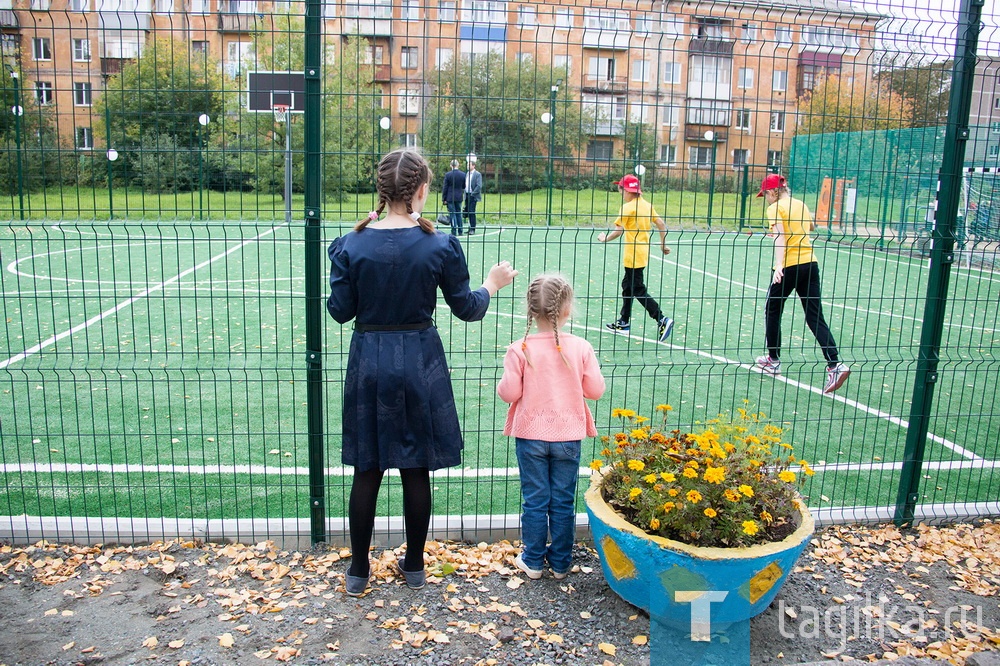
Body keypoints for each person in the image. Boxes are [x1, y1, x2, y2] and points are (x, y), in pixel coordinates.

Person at [328, 149, 518, 596]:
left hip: (369, 363)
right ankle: (414, 567)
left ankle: (358, 572)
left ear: (382, 190)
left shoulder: (350, 243)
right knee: (416, 470)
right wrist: (492, 284)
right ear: (420, 190)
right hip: (419, 362)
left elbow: (339, 312)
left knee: (366, 470)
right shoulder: (440, 244)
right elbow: (467, 308)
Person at [497, 274, 606, 581]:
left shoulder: (520, 348)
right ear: (568, 309)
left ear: (530, 311)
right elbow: (595, 390)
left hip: (530, 436)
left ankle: (532, 560)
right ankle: (560, 563)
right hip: (568, 436)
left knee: (535, 498)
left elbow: (509, 393)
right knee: (562, 499)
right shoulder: (581, 347)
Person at [754, 173, 850, 394]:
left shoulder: (775, 209)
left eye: (765, 195)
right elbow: (810, 229)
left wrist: (779, 265)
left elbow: (780, 237)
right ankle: (835, 364)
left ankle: (774, 359)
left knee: (772, 309)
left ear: (772, 192)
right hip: (810, 264)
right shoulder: (801, 205)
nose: (765, 199)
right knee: (814, 316)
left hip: (789, 265)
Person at [598, 174, 674, 342]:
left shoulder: (627, 208)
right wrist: (662, 244)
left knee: (637, 288)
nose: (620, 192)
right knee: (628, 285)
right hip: (642, 252)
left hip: (632, 254)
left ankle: (662, 319)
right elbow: (661, 224)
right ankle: (624, 322)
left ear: (626, 190)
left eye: (621, 189)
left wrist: (605, 239)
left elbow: (618, 231)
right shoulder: (647, 205)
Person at [442, 159, 466, 236]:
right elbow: (464, 186)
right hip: (459, 196)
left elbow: (445, 187)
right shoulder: (463, 174)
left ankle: (453, 230)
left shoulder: (448, 175)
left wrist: (444, 198)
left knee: (452, 214)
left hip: (450, 196)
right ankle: (460, 230)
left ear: (450, 165)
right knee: (459, 213)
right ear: (458, 165)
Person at [463, 154, 483, 235]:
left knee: (471, 212)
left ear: (473, 166)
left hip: (473, 196)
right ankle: (469, 227)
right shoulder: (467, 173)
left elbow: (479, 185)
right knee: (467, 212)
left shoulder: (477, 174)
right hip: (467, 194)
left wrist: (473, 193)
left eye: (469, 164)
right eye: (467, 164)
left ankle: (473, 228)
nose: (468, 166)